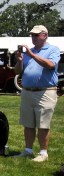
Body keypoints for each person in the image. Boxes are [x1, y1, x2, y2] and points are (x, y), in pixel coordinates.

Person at [13, 25, 61, 163]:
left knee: (43, 124)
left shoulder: (53, 49)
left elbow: (50, 65)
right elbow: (17, 72)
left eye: (36, 35)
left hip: (45, 92)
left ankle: (43, 152)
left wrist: (32, 55)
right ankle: (28, 150)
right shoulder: (29, 52)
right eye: (31, 35)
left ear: (44, 35)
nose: (33, 38)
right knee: (28, 123)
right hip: (27, 91)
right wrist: (20, 61)